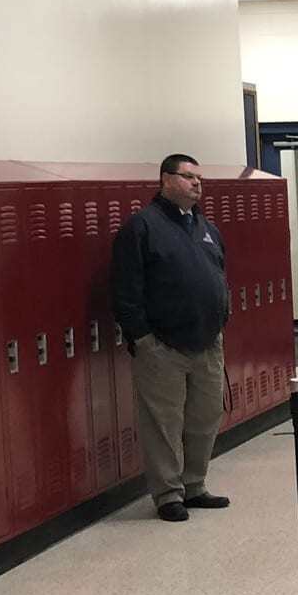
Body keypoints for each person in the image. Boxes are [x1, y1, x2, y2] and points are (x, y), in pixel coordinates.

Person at [111, 153, 232, 523]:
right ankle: (168, 494)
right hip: (163, 346)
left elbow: (219, 274)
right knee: (164, 423)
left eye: (200, 178)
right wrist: (145, 341)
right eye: (188, 176)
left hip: (207, 343)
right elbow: (125, 292)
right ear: (165, 179)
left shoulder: (205, 226)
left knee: (204, 417)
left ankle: (195, 485)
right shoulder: (142, 227)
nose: (197, 183)